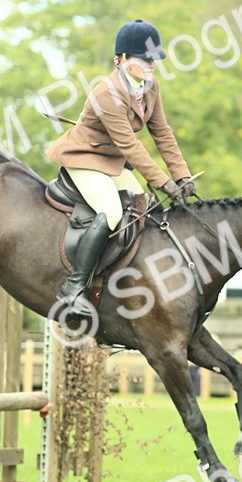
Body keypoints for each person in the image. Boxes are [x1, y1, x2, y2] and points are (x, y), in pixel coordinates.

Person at [45, 18, 195, 320]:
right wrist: (165, 182)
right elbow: (131, 147)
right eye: (145, 58)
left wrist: (183, 175)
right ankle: (74, 287)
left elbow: (162, 132)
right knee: (112, 213)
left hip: (111, 162)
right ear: (122, 59)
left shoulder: (150, 87)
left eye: (155, 58)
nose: (153, 64)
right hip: (83, 159)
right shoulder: (106, 93)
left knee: (143, 207)